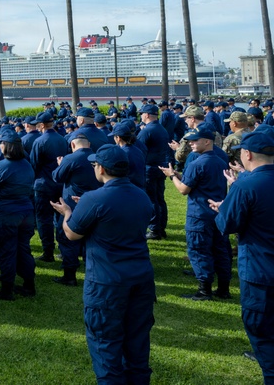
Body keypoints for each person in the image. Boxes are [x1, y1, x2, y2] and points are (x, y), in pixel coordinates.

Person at [51, 144, 155, 385]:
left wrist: (67, 212)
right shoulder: (141, 194)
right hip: (140, 277)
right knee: (137, 341)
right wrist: (87, 205)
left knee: (105, 343)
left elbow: (72, 234)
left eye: (95, 164)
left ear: (102, 169)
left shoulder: (94, 198)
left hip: (107, 282)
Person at [212, 129, 274, 380]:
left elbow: (225, 225)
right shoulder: (246, 184)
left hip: (261, 273)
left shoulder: (246, 185)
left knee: (263, 335)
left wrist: (228, 202)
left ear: (247, 154)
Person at [161, 124, 232, 301]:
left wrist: (171, 176)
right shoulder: (220, 160)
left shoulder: (197, 162)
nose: (191, 144)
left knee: (199, 250)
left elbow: (184, 189)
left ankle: (204, 290)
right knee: (220, 250)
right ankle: (224, 289)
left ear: (207, 141)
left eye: (195, 141)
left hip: (199, 214)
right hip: (218, 212)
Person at [0, 130, 36, 300]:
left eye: (1, 143)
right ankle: (29, 284)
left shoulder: (1, 166)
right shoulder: (27, 165)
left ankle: (6, 289)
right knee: (23, 249)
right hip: (26, 212)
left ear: (6, 147)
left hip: (5, 213)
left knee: (5, 250)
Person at [51, 134, 102, 286]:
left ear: (73, 145)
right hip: (94, 202)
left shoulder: (70, 158)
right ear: (89, 143)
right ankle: (92, 273)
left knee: (67, 239)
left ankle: (69, 275)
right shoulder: (98, 157)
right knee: (90, 239)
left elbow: (57, 177)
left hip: (72, 204)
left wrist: (61, 164)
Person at [30, 112, 69, 262]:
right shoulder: (62, 139)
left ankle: (48, 251)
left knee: (43, 218)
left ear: (42, 125)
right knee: (61, 217)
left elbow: (34, 164)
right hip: (59, 184)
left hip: (43, 184)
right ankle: (64, 249)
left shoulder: (40, 141)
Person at [139, 103, 172, 240]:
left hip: (149, 167)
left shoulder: (147, 130)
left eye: (142, 113)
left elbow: (138, 148)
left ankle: (154, 229)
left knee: (151, 199)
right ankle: (160, 227)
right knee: (159, 199)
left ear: (146, 115)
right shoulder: (161, 129)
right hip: (160, 166)